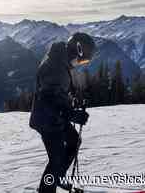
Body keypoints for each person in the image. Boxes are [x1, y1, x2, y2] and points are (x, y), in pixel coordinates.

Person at [29, 32, 96, 193]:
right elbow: (48, 100)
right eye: (83, 59)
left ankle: (58, 177)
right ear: (77, 50)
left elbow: (57, 92)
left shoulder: (61, 60)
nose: (81, 63)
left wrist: (71, 103)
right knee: (56, 159)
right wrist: (72, 114)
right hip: (47, 119)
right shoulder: (55, 66)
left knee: (74, 141)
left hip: (56, 116)